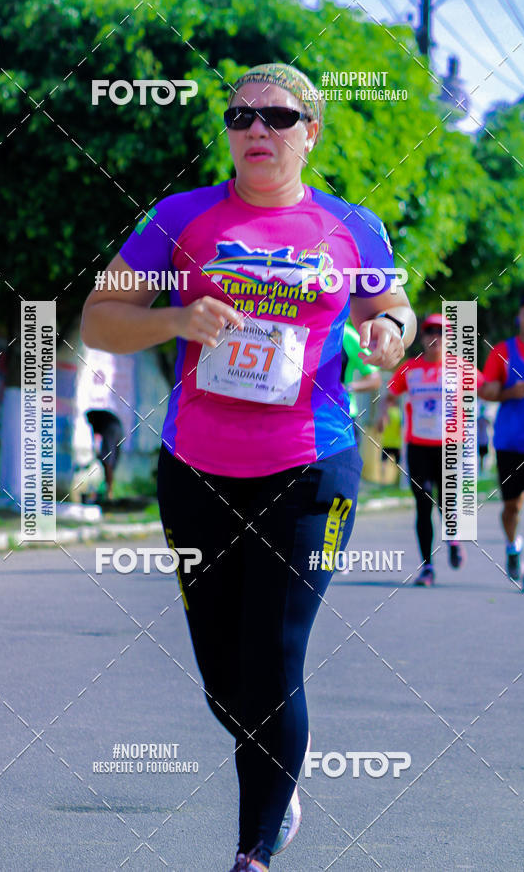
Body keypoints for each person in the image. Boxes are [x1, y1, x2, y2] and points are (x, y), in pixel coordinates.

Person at [80, 62, 416, 871]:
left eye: (278, 117)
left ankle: (253, 852)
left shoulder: (352, 226)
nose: (257, 129)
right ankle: (282, 771)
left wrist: (390, 334)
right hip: (197, 469)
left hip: (311, 466)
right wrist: (176, 320)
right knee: (223, 677)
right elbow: (99, 321)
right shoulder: (177, 220)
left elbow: (393, 309)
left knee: (272, 658)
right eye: (240, 117)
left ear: (312, 132)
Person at [377, 314, 478, 586]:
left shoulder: (461, 368)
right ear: (422, 337)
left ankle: (453, 539)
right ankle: (427, 567)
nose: (436, 337)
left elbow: (488, 387)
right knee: (423, 505)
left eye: (442, 332)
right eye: (430, 331)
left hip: (450, 445)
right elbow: (389, 395)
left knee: (446, 500)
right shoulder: (410, 369)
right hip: (418, 445)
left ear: (450, 338)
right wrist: (383, 414)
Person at [480, 293, 524, 593]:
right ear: (518, 318)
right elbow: (487, 391)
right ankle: (512, 545)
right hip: (508, 441)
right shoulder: (503, 351)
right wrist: (512, 391)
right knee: (511, 508)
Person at [341, 321, 382, 445]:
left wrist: (346, 387)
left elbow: (375, 379)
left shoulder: (347, 334)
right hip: (304, 416)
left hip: (343, 416)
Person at [85, 408, 124, 501]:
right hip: (119, 430)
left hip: (111, 429)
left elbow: (95, 437)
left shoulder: (91, 417)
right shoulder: (99, 417)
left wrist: (97, 452)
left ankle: (109, 492)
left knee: (107, 462)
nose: (88, 423)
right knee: (110, 462)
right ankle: (109, 490)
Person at [477, 404, 490, 473]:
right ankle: (481, 470)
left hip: (484, 439)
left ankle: (483, 469)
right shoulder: (479, 420)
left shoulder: (484, 420)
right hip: (481, 440)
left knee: (484, 456)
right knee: (481, 456)